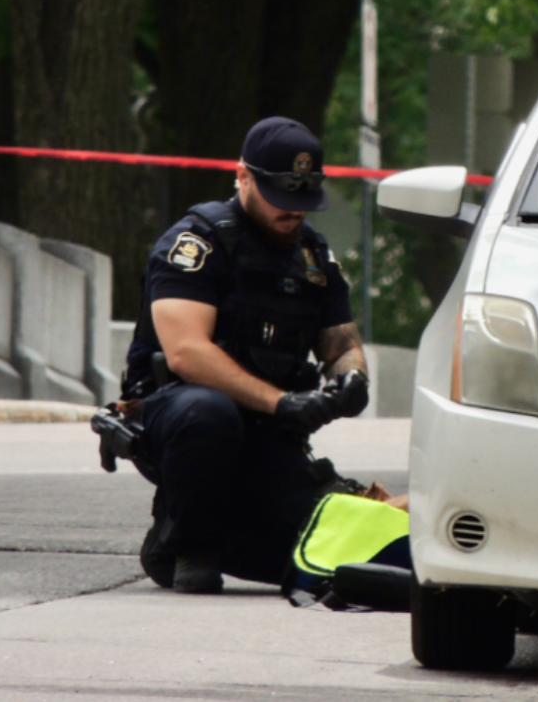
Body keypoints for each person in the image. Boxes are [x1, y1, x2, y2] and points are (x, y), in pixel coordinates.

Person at [122, 116, 379, 594]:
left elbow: (340, 343)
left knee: (322, 553)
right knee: (208, 411)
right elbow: (186, 354)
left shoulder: (313, 259)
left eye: (303, 202)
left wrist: (352, 378)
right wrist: (283, 403)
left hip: (267, 431)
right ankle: (187, 547)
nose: (294, 213)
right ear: (243, 176)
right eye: (281, 198)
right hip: (180, 418)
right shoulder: (196, 243)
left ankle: (207, 534)